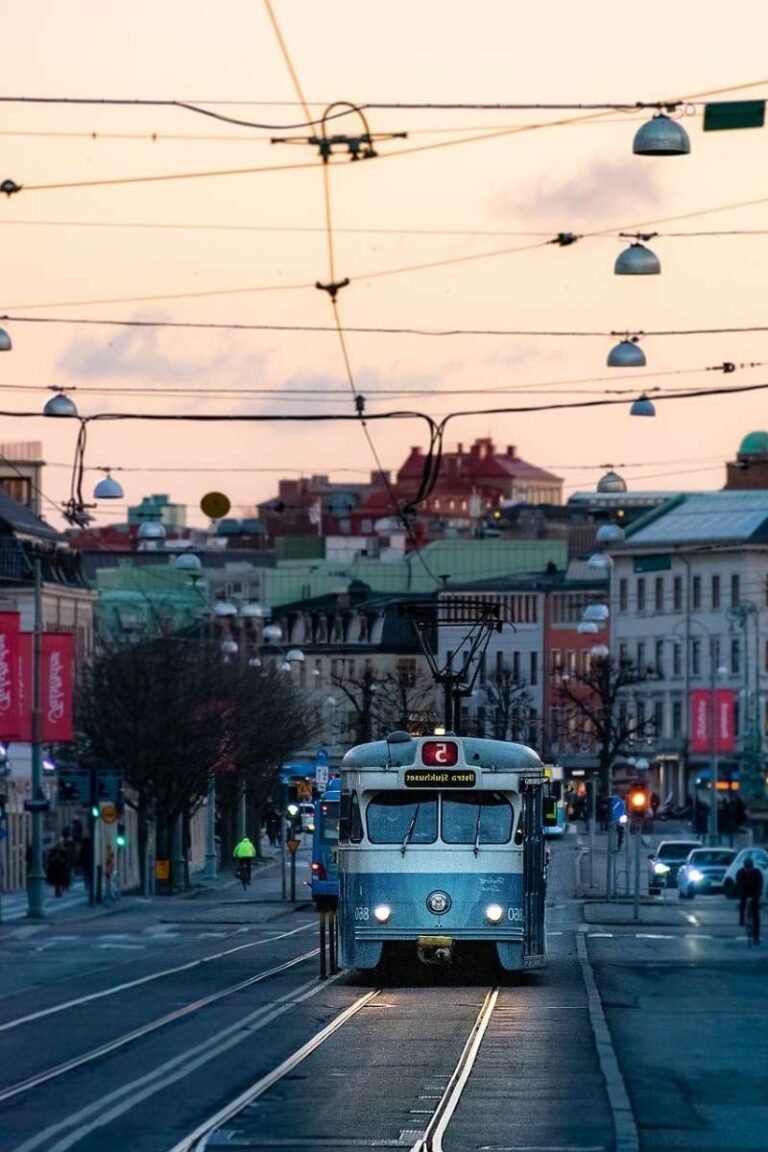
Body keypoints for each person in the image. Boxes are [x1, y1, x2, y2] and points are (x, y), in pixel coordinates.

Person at [736, 857, 763, 943]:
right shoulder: (740, 873)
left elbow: (759, 886)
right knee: (742, 904)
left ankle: (756, 937)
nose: (748, 870)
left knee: (755, 915)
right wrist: (742, 895)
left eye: (750, 868)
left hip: (754, 893)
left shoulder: (757, 873)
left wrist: (756, 897)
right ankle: (742, 920)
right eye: (747, 868)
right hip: (744, 892)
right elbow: (739, 886)